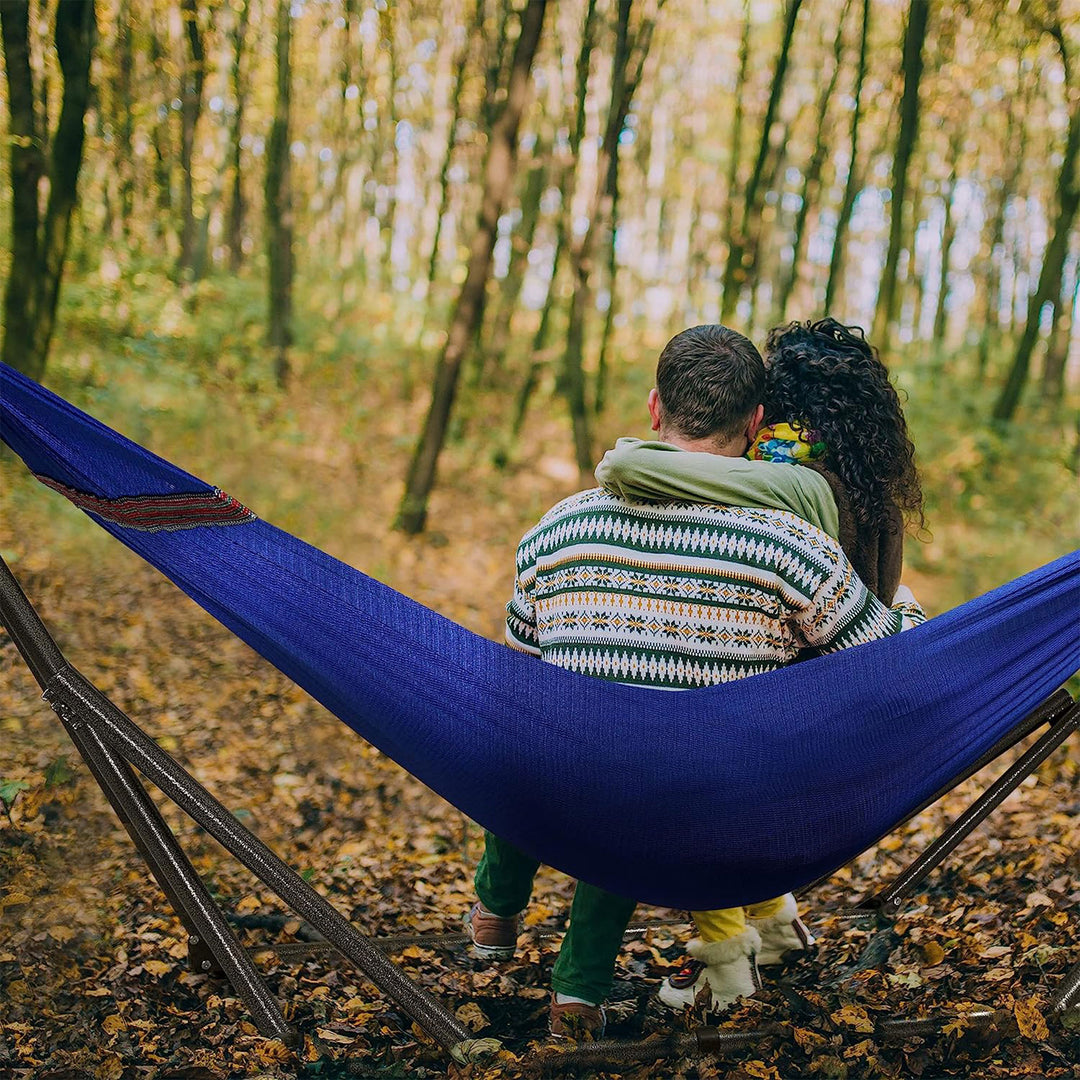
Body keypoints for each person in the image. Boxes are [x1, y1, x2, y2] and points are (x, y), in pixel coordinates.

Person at [464, 324, 925, 1038]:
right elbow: (885, 658)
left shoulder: (557, 529)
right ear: (755, 425)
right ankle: (576, 991)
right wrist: (905, 604)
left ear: (654, 409)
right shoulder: (792, 544)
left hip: (566, 787)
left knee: (561, 736)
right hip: (710, 811)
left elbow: (520, 680)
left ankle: (499, 915)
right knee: (638, 771)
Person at [595, 317, 925, 1013]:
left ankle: (730, 971)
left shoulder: (785, 482)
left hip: (785, 721)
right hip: (843, 708)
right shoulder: (870, 489)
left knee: (693, 704)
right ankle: (776, 928)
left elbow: (640, 468)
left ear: (767, 411)